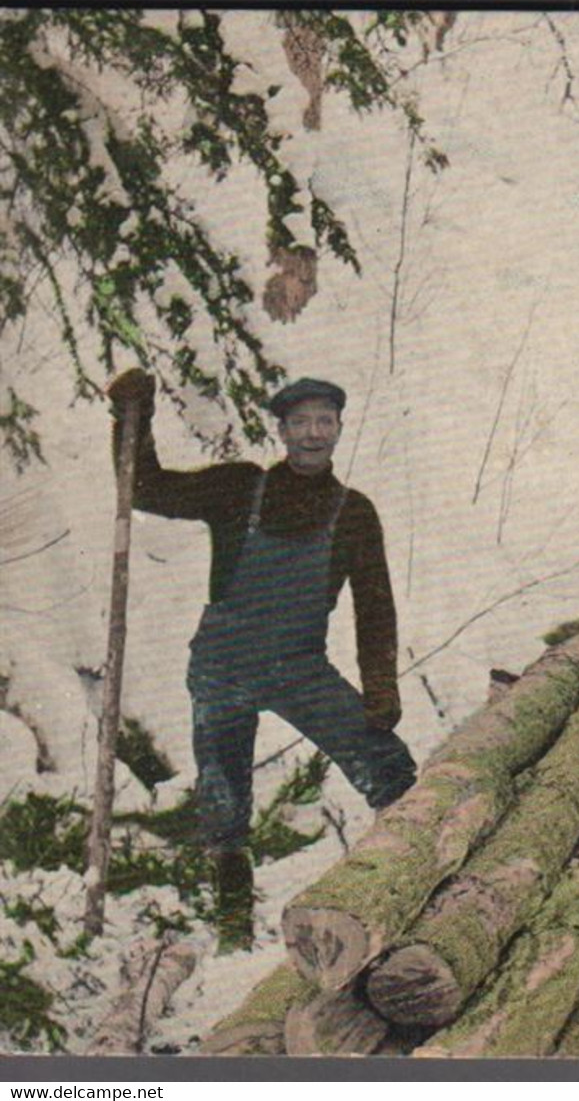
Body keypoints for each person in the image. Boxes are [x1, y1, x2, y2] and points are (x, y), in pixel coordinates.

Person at [106, 369, 417, 951]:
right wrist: (133, 417)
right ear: (281, 429)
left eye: (324, 421)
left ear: (339, 429)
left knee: (389, 766)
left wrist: (381, 689)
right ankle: (232, 926)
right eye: (300, 422)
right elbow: (145, 489)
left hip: (298, 665)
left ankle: (402, 885)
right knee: (224, 802)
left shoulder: (354, 513)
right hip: (222, 665)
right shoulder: (238, 487)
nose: (313, 434)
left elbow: (375, 607)